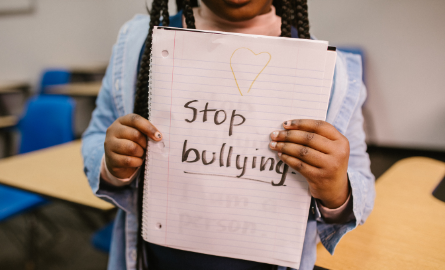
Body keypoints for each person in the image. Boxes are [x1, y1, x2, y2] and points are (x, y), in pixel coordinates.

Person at [82, 0, 375, 269]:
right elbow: (97, 135)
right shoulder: (138, 44)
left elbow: (361, 181)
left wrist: (337, 191)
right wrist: (113, 165)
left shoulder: (332, 73)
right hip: (156, 260)